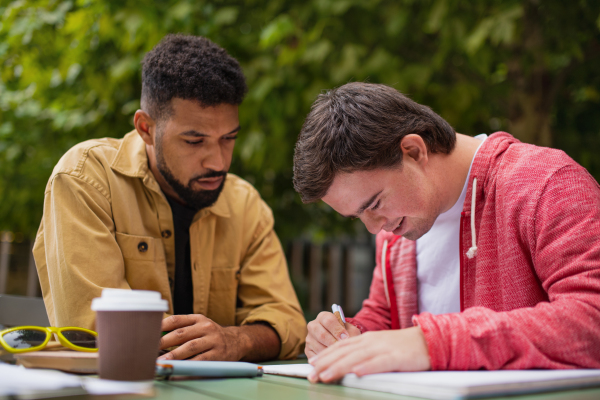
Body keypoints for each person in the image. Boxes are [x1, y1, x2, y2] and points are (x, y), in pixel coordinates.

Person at [292, 82, 600, 382]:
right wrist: (347, 337)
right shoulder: (399, 226)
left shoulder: (547, 184)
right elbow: (385, 319)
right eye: (357, 216)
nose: (374, 228)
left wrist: (432, 343)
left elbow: (591, 319)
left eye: (374, 203)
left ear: (413, 151)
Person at [33, 34, 306, 362]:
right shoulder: (83, 179)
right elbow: (92, 329)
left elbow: (288, 322)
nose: (218, 162)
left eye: (228, 138)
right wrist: (201, 344)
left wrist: (238, 340)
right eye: (194, 141)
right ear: (145, 128)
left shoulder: (244, 204)